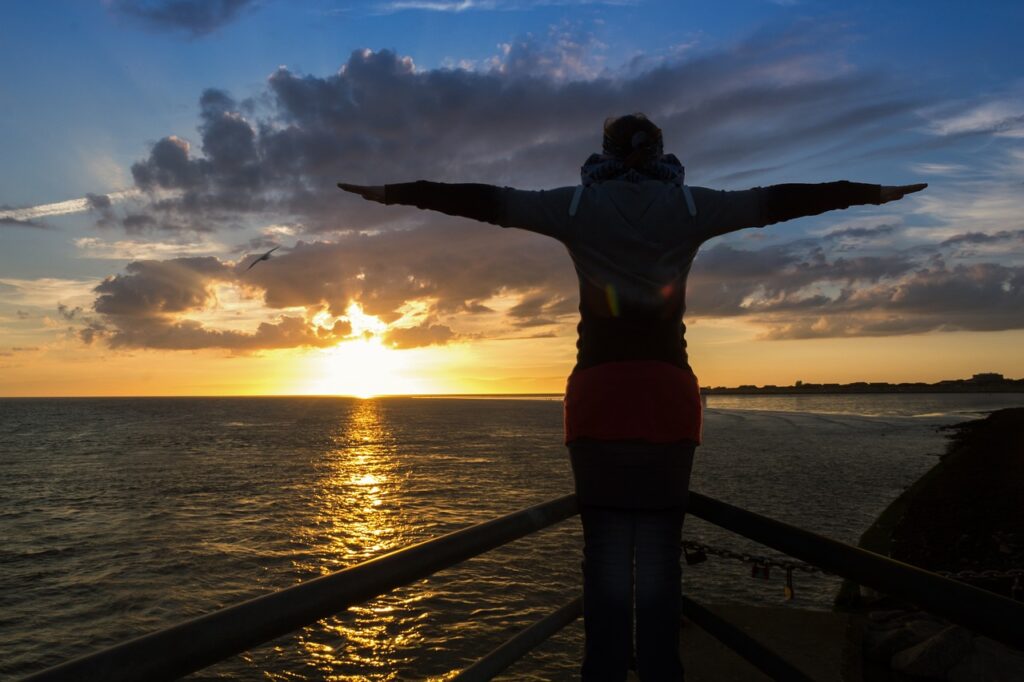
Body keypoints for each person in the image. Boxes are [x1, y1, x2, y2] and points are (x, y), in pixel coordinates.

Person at [338, 113, 925, 681]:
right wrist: (871, 194)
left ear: (604, 152)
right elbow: (781, 200)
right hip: (668, 395)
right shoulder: (692, 207)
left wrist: (393, 193)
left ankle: (604, 674)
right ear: (661, 151)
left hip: (599, 395)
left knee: (606, 557)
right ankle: (662, 674)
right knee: (661, 555)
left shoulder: (574, 206)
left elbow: (485, 201)